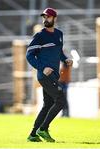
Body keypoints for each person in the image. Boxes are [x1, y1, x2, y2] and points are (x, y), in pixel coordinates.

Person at [26, 8, 73, 142]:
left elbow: (59, 52)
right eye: (44, 17)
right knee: (61, 100)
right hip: (44, 75)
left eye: (48, 17)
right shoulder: (39, 35)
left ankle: (33, 134)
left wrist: (65, 59)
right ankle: (43, 128)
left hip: (54, 76)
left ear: (54, 18)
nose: (45, 19)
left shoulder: (59, 34)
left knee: (48, 105)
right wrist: (42, 67)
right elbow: (29, 55)